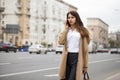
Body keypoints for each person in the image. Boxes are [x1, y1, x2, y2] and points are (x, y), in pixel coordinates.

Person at [58, 10, 90, 80]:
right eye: (68, 18)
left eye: (72, 17)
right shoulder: (67, 30)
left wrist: (85, 66)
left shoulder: (82, 31)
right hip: (67, 58)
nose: (70, 19)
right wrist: (65, 30)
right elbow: (60, 42)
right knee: (65, 78)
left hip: (77, 58)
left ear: (76, 18)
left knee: (72, 78)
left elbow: (85, 50)